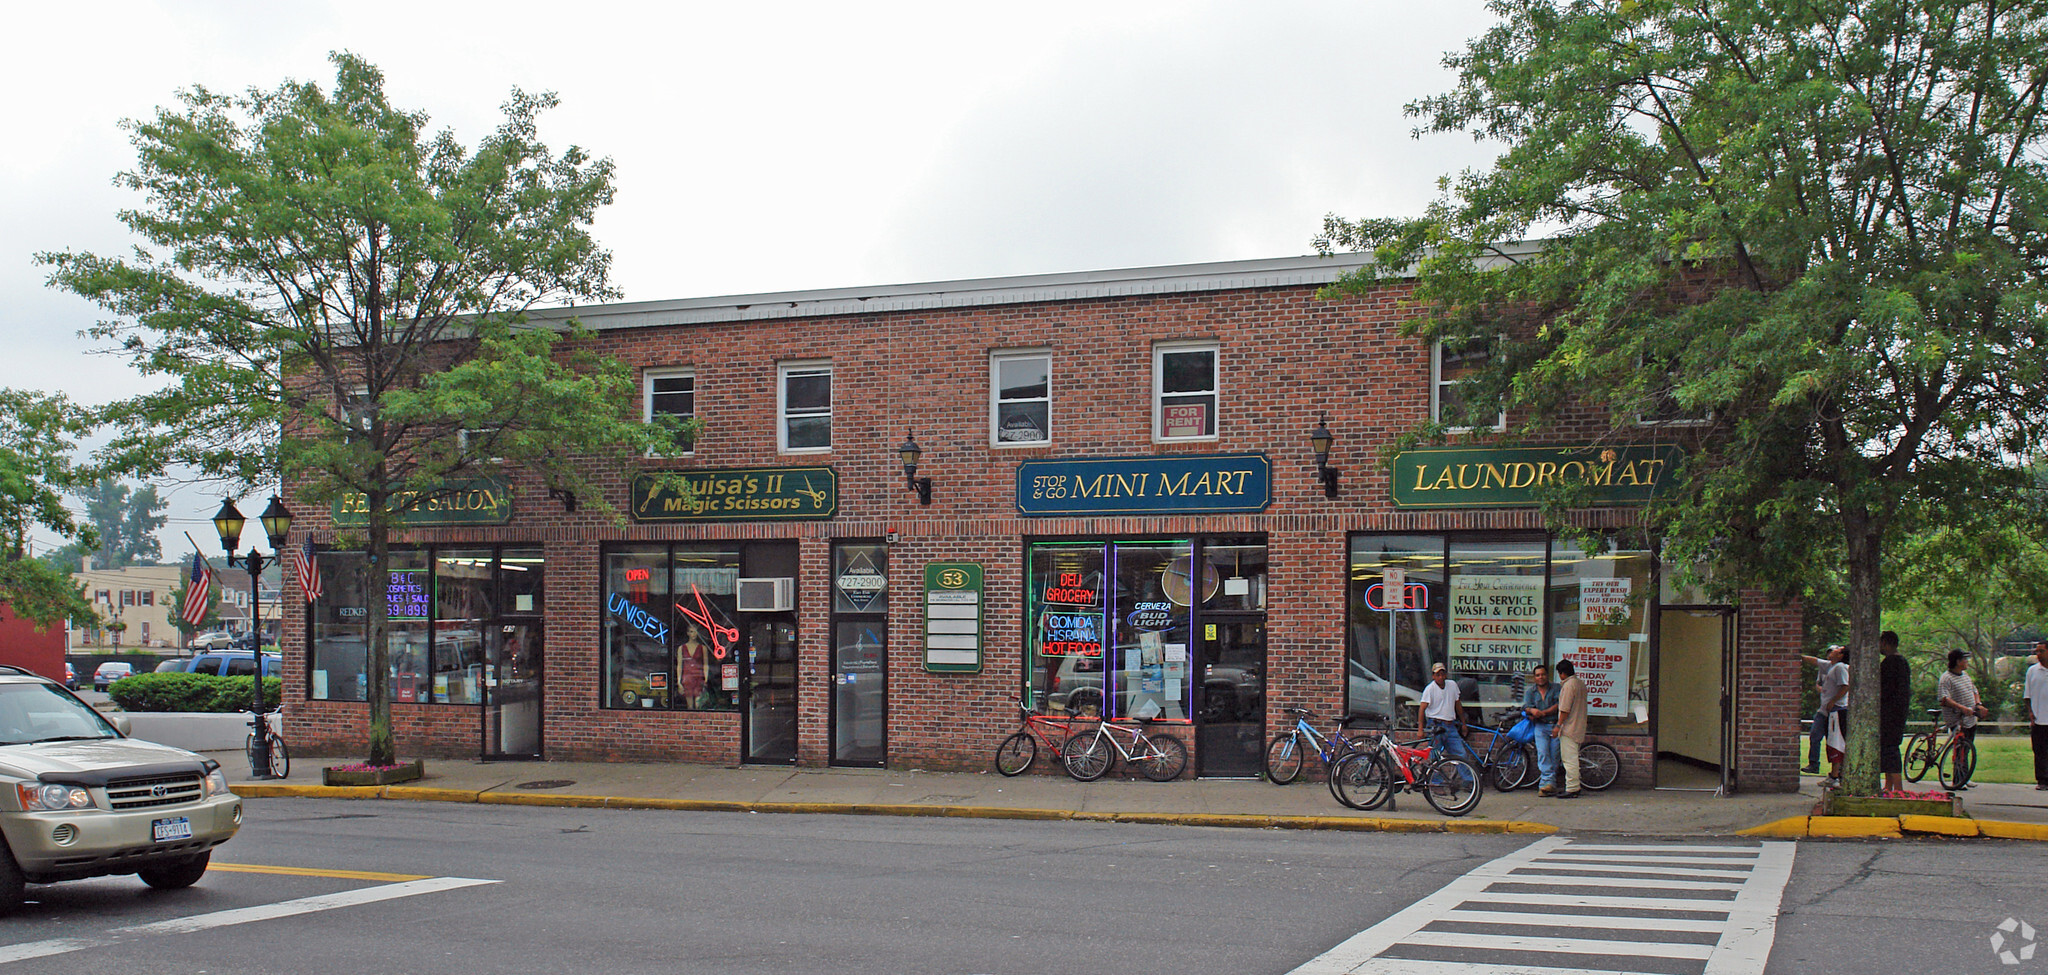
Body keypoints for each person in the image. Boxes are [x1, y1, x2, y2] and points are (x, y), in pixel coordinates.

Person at [1937, 649, 1988, 790]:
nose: (1967, 662)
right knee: (1959, 749)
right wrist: (1961, 707)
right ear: (1958, 661)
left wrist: (1978, 704)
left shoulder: (1965, 676)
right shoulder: (1946, 678)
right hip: (1957, 718)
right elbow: (1944, 699)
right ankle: (1958, 780)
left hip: (1970, 717)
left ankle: (1964, 777)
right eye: (1965, 659)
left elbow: (1974, 691)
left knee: (1967, 748)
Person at [1418, 662, 1479, 780]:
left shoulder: (1452, 685)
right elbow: (1422, 709)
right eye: (1437, 675)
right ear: (1433, 676)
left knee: (1460, 753)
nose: (1440, 677)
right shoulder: (1430, 689)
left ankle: (1468, 780)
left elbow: (1458, 705)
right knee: (1435, 756)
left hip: (1450, 725)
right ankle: (1436, 783)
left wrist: (1463, 724)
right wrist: (1420, 729)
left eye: (1442, 674)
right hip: (1435, 725)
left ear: (1445, 675)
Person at [1799, 645, 1844, 774]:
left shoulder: (1841, 668)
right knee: (1815, 735)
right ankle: (1814, 764)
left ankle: (1837, 771)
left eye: (1833, 652)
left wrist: (1833, 701)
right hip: (1823, 710)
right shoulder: (1826, 667)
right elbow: (1814, 663)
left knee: (1834, 742)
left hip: (1835, 710)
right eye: (1829, 652)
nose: (1830, 654)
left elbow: (1845, 686)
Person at [1521, 663, 1561, 796]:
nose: (1541, 677)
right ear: (1534, 678)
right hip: (1540, 726)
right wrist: (1531, 710)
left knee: (1554, 755)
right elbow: (1526, 707)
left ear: (1547, 675)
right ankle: (1545, 784)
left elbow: (1559, 704)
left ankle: (1550, 784)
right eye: (1538, 675)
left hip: (1555, 725)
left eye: (1543, 674)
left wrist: (1544, 712)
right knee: (1543, 753)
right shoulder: (1530, 692)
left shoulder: (1556, 688)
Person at [1879, 631, 1910, 792]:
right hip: (1898, 711)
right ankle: (1888, 785)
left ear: (1885, 643)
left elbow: (1886, 690)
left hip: (1890, 713)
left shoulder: (1890, 663)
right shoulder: (1902, 662)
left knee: (1890, 748)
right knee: (1887, 747)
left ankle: (1897, 787)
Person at [1553, 659, 1587, 799]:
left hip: (1569, 728)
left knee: (1569, 759)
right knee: (1573, 757)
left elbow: (1565, 709)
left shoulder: (1568, 686)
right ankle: (1574, 786)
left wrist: (1558, 725)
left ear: (1562, 673)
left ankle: (1573, 788)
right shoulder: (1580, 683)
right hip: (1579, 725)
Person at [2027, 641, 2048, 791]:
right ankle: (2042, 779)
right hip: (2039, 718)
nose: (2038, 655)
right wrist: (2030, 713)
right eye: (2037, 652)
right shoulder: (2032, 671)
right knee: (2039, 750)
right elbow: (2027, 695)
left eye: (2041, 651)